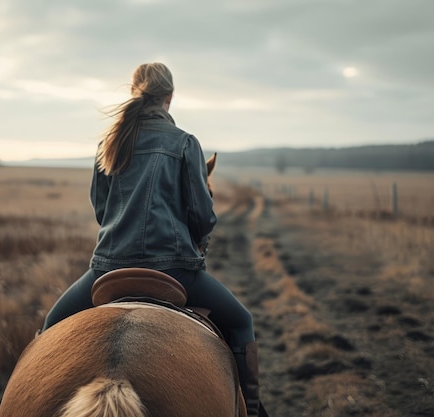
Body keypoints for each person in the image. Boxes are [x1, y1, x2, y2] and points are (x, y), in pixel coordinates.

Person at [42, 63, 264, 417]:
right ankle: (252, 411)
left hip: (107, 268)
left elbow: (102, 209)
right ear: (170, 97)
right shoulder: (185, 143)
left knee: (50, 328)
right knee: (240, 322)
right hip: (177, 270)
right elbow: (202, 216)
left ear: (135, 93)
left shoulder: (109, 142)